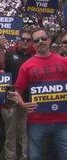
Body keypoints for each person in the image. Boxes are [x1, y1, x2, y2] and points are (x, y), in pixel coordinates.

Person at [15, 27, 67, 160]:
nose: (40, 42)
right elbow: (17, 91)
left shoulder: (64, 61)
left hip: (63, 121)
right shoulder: (26, 66)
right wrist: (23, 105)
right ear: (33, 44)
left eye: (43, 39)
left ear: (49, 40)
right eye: (36, 40)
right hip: (37, 122)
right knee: (34, 157)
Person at [0, 30, 33, 160]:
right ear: (18, 40)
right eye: (23, 39)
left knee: (26, 132)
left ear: (31, 42)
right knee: (10, 133)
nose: (25, 41)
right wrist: (1, 48)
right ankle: (10, 157)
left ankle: (25, 157)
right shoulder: (10, 54)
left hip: (28, 100)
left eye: (28, 39)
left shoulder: (34, 56)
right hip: (11, 99)